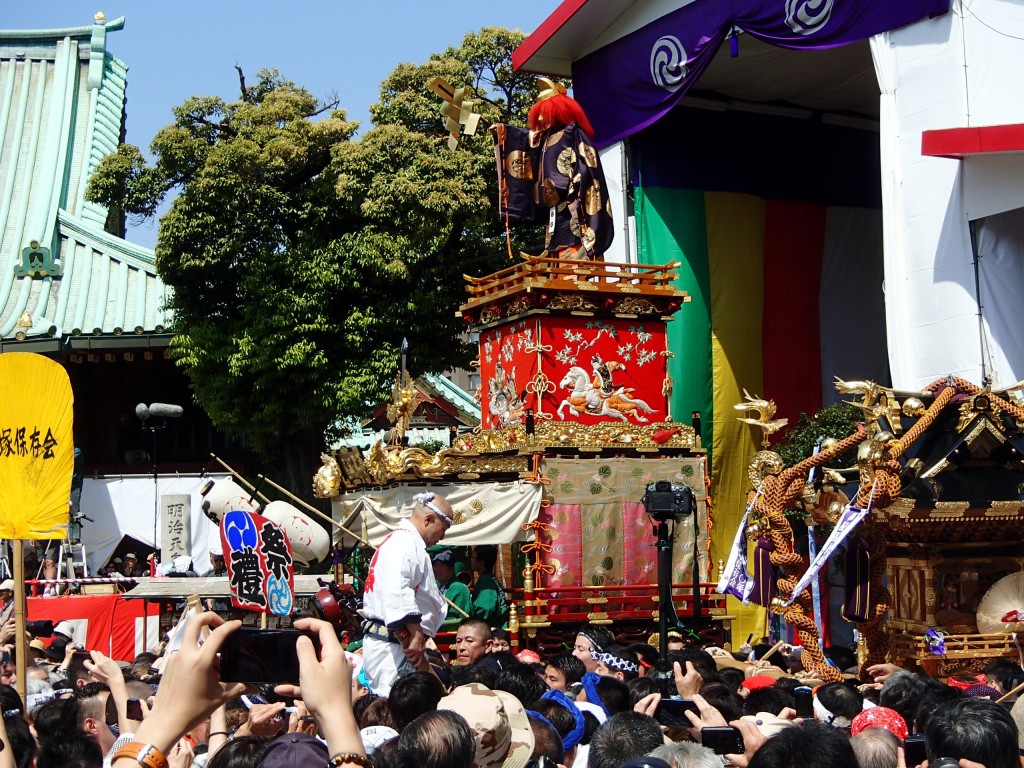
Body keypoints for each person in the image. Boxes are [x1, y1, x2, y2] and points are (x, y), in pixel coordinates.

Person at [360, 491, 453, 696]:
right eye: (443, 529)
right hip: (396, 645)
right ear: (429, 519)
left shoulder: (403, 541)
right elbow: (398, 591)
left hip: (399, 644)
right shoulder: (404, 543)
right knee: (396, 706)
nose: (442, 536)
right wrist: (417, 634)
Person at [471, 545, 509, 630]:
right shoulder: (491, 578)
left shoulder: (486, 582)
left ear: (482, 562)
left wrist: (474, 624)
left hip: (493, 629)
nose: (471, 560)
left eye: (473, 557)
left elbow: (485, 608)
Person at [432, 550, 471, 630]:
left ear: (451, 569)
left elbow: (454, 619)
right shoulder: (437, 586)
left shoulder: (459, 587)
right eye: (436, 565)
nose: (438, 569)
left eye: (442, 566)